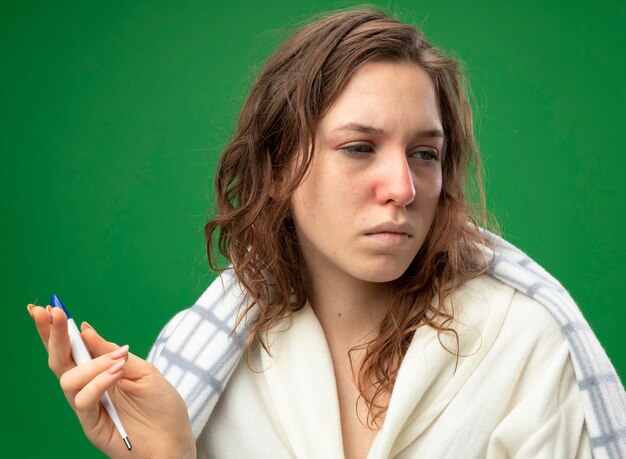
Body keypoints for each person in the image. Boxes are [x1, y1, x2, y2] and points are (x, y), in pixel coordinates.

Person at [28, 7, 625, 459]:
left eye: (425, 154)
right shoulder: (200, 372)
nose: (403, 187)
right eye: (360, 148)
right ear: (281, 161)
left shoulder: (525, 347)